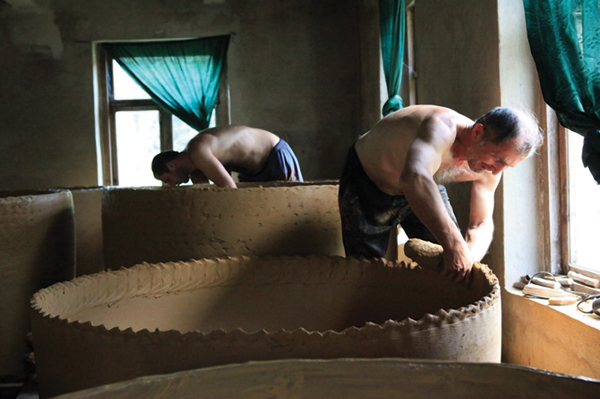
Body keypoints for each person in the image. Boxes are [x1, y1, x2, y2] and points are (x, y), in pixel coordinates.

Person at [338, 104, 543, 282]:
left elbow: (481, 223)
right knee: (365, 273)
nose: (497, 171)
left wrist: (468, 257)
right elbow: (414, 177)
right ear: (478, 133)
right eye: (498, 158)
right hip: (369, 179)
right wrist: (454, 244)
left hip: (423, 183)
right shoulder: (442, 127)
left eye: (507, 165)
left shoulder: (490, 169)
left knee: (449, 264)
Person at [152, 125, 304, 188]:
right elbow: (204, 199)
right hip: (251, 170)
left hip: (273, 153)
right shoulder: (195, 170)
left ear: (172, 165)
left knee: (289, 207)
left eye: (167, 179)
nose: (170, 185)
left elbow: (229, 189)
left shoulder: (197, 152)